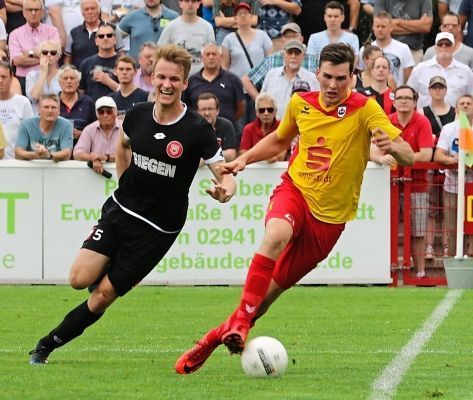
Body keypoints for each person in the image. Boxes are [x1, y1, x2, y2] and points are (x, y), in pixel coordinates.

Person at [175, 43, 414, 374]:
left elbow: (409, 155)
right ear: (317, 73)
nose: (332, 85)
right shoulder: (301, 103)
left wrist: (393, 148)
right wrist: (243, 159)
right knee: (276, 234)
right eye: (327, 77)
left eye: (340, 79)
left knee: (263, 301)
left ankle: (214, 338)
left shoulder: (365, 108)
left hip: (329, 222)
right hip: (295, 191)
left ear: (352, 77)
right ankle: (232, 328)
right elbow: (279, 140)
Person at [27, 44, 236, 365]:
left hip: (157, 229)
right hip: (122, 210)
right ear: (152, 78)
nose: (166, 84)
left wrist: (226, 189)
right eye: (161, 77)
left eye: (174, 79)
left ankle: (45, 345)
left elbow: (224, 172)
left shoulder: (197, 130)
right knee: (78, 280)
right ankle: (109, 272)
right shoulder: (138, 114)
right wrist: (124, 182)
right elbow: (123, 146)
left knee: (103, 296)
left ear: (184, 83)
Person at [385, 85, 434, 277]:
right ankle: (385, 270)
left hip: (417, 185)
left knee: (418, 231)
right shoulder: (387, 121)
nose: (403, 101)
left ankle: (420, 271)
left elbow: (427, 154)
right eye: (400, 98)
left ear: (415, 102)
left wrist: (397, 156)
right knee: (386, 228)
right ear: (394, 101)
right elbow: (374, 150)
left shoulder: (422, 122)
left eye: (408, 98)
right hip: (389, 185)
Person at [419, 76, 455, 260]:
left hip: (449, 164)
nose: (438, 91)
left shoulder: (455, 111)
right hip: (431, 164)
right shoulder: (423, 111)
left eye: (441, 87)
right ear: (429, 90)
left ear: (446, 90)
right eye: (434, 87)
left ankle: (449, 244)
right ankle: (429, 246)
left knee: (449, 207)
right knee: (432, 207)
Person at [434, 94, 473, 257]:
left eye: (469, 103)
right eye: (461, 103)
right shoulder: (449, 129)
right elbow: (438, 156)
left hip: (472, 188)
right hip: (452, 187)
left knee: (471, 227)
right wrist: (454, 160)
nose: (465, 106)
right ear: (456, 108)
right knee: (451, 227)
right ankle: (451, 260)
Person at [241, 22, 318, 101]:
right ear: (282, 40)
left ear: (301, 38)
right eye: (287, 37)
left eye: (294, 36)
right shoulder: (272, 60)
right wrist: (260, 102)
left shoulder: (313, 60)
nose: (291, 39)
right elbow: (247, 80)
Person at [183, 41, 245, 130]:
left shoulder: (233, 80)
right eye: (208, 54)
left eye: (214, 54)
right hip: (198, 132)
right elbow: (186, 108)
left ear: (221, 57)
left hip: (227, 133)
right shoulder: (191, 81)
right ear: (202, 57)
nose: (211, 57)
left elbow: (240, 108)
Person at [407, 32, 473, 108]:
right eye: (440, 44)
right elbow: (409, 95)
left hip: (460, 116)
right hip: (426, 117)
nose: (444, 46)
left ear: (453, 47)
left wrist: (466, 119)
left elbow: (471, 97)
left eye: (448, 44)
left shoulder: (465, 71)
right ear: (435, 47)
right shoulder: (420, 69)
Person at [8, 0, 61, 94]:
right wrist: (45, 56)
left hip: (50, 78)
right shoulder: (14, 34)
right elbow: (17, 61)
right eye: (30, 10)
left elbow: (55, 54)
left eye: (36, 10)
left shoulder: (53, 31)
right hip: (23, 80)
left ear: (42, 12)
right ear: (24, 12)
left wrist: (29, 53)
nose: (33, 13)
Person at [261, 40, 318, 120]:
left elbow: (316, 105)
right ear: (283, 54)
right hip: (272, 126)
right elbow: (262, 100)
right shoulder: (271, 75)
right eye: (290, 52)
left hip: (298, 127)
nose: (293, 56)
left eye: (297, 53)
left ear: (303, 56)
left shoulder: (311, 78)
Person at [157, 0, 215, 76]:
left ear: (198, 4)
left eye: (193, 1)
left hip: (201, 79)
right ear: (180, 3)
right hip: (176, 77)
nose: (190, 4)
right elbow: (160, 53)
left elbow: (212, 54)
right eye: (187, 1)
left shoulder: (207, 27)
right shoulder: (171, 27)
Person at [63, 0, 125, 70]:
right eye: (86, 9)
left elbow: (121, 55)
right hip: (81, 78)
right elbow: (67, 59)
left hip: (108, 76)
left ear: (99, 11)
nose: (90, 12)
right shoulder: (74, 33)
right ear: (82, 12)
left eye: (93, 8)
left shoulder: (112, 29)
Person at [361, 10, 414, 87]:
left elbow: (408, 78)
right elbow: (361, 74)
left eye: (383, 26)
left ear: (391, 28)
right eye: (377, 26)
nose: (380, 29)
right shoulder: (364, 49)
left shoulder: (403, 48)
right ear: (373, 27)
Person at [221, 2, 272, 80]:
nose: (243, 16)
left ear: (251, 16)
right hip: (237, 85)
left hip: (259, 84)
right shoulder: (228, 39)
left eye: (246, 13)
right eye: (240, 13)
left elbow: (270, 61)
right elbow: (225, 66)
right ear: (235, 18)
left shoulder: (263, 36)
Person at [15, 93, 73, 161]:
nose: (50, 111)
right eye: (46, 107)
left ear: (59, 110)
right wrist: (35, 155)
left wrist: (49, 155)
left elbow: (67, 153)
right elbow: (18, 152)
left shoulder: (66, 125)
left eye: (54, 107)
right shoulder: (26, 124)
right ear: (39, 109)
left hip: (56, 168)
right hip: (31, 168)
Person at [73, 96, 121, 175]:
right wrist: (93, 158)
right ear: (96, 114)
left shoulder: (125, 128)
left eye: (109, 111)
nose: (105, 115)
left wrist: (106, 158)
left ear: (116, 112)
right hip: (96, 177)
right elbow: (77, 153)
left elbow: (131, 155)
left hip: (122, 174)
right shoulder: (89, 129)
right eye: (101, 112)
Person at [0, 61, 34, 160]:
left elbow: (30, 133)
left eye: (4, 77)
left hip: (17, 163)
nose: (0, 80)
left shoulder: (23, 102)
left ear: (11, 78)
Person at [239, 91, 286, 162]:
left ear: (275, 111)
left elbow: (281, 156)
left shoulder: (282, 127)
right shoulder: (248, 129)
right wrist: (265, 157)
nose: (266, 113)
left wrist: (255, 157)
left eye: (270, 110)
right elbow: (243, 153)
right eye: (262, 110)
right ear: (257, 113)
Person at [78, 22, 120, 101]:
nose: (105, 38)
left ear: (115, 40)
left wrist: (108, 81)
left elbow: (129, 93)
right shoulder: (86, 63)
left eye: (109, 35)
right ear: (96, 41)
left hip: (116, 109)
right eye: (101, 36)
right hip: (92, 110)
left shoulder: (124, 62)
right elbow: (81, 92)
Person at [58, 64, 96, 147]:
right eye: (65, 78)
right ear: (59, 82)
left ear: (78, 82)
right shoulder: (52, 102)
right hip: (57, 149)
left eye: (72, 78)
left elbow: (96, 130)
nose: (69, 81)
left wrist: (82, 135)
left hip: (83, 149)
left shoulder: (88, 102)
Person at [196, 92, 237, 161]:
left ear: (217, 110)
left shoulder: (226, 125)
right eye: (203, 109)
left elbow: (231, 154)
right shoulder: (192, 127)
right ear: (197, 111)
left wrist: (206, 157)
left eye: (210, 109)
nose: (207, 113)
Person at [25, 40, 62, 113]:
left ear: (58, 57)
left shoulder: (64, 75)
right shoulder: (31, 75)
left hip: (58, 114)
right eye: (45, 52)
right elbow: (34, 97)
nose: (49, 55)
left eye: (53, 53)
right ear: (40, 56)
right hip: (37, 115)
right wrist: (43, 73)